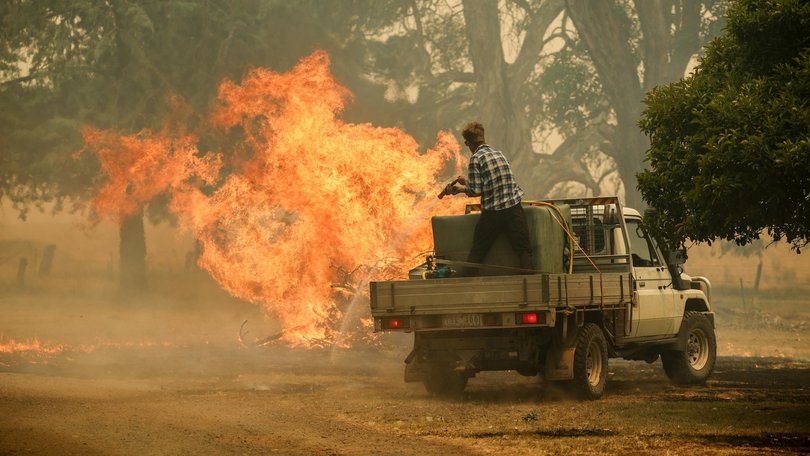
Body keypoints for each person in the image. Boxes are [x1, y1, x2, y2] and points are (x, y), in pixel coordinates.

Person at [442, 122, 534, 275]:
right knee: (524, 250)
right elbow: (493, 181)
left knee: (478, 252)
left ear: (467, 143)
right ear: (483, 137)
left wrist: (459, 190)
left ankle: (466, 284)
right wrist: (467, 182)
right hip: (514, 209)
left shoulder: (476, 159)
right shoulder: (499, 153)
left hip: (493, 213)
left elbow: (476, 190)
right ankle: (531, 286)